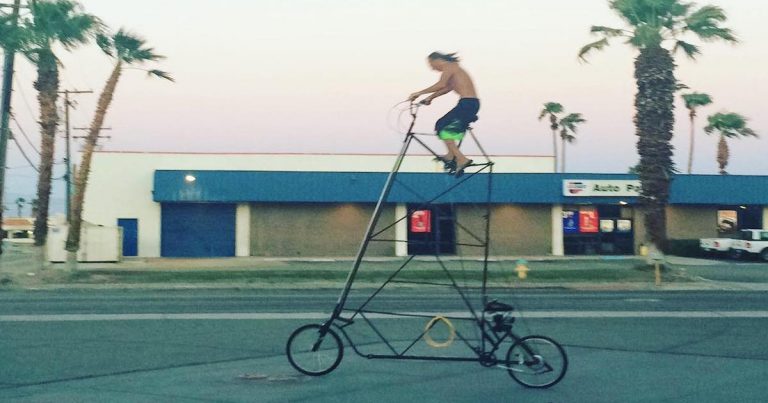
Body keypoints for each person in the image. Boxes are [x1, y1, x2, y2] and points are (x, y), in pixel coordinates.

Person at [408, 52, 480, 176]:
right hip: (470, 104)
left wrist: (418, 93)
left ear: (437, 60)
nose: (432, 68)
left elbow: (441, 84)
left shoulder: (450, 66)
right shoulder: (454, 68)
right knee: (443, 125)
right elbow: (447, 88)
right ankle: (451, 155)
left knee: (441, 125)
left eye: (431, 64)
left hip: (467, 103)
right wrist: (430, 97)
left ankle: (461, 159)